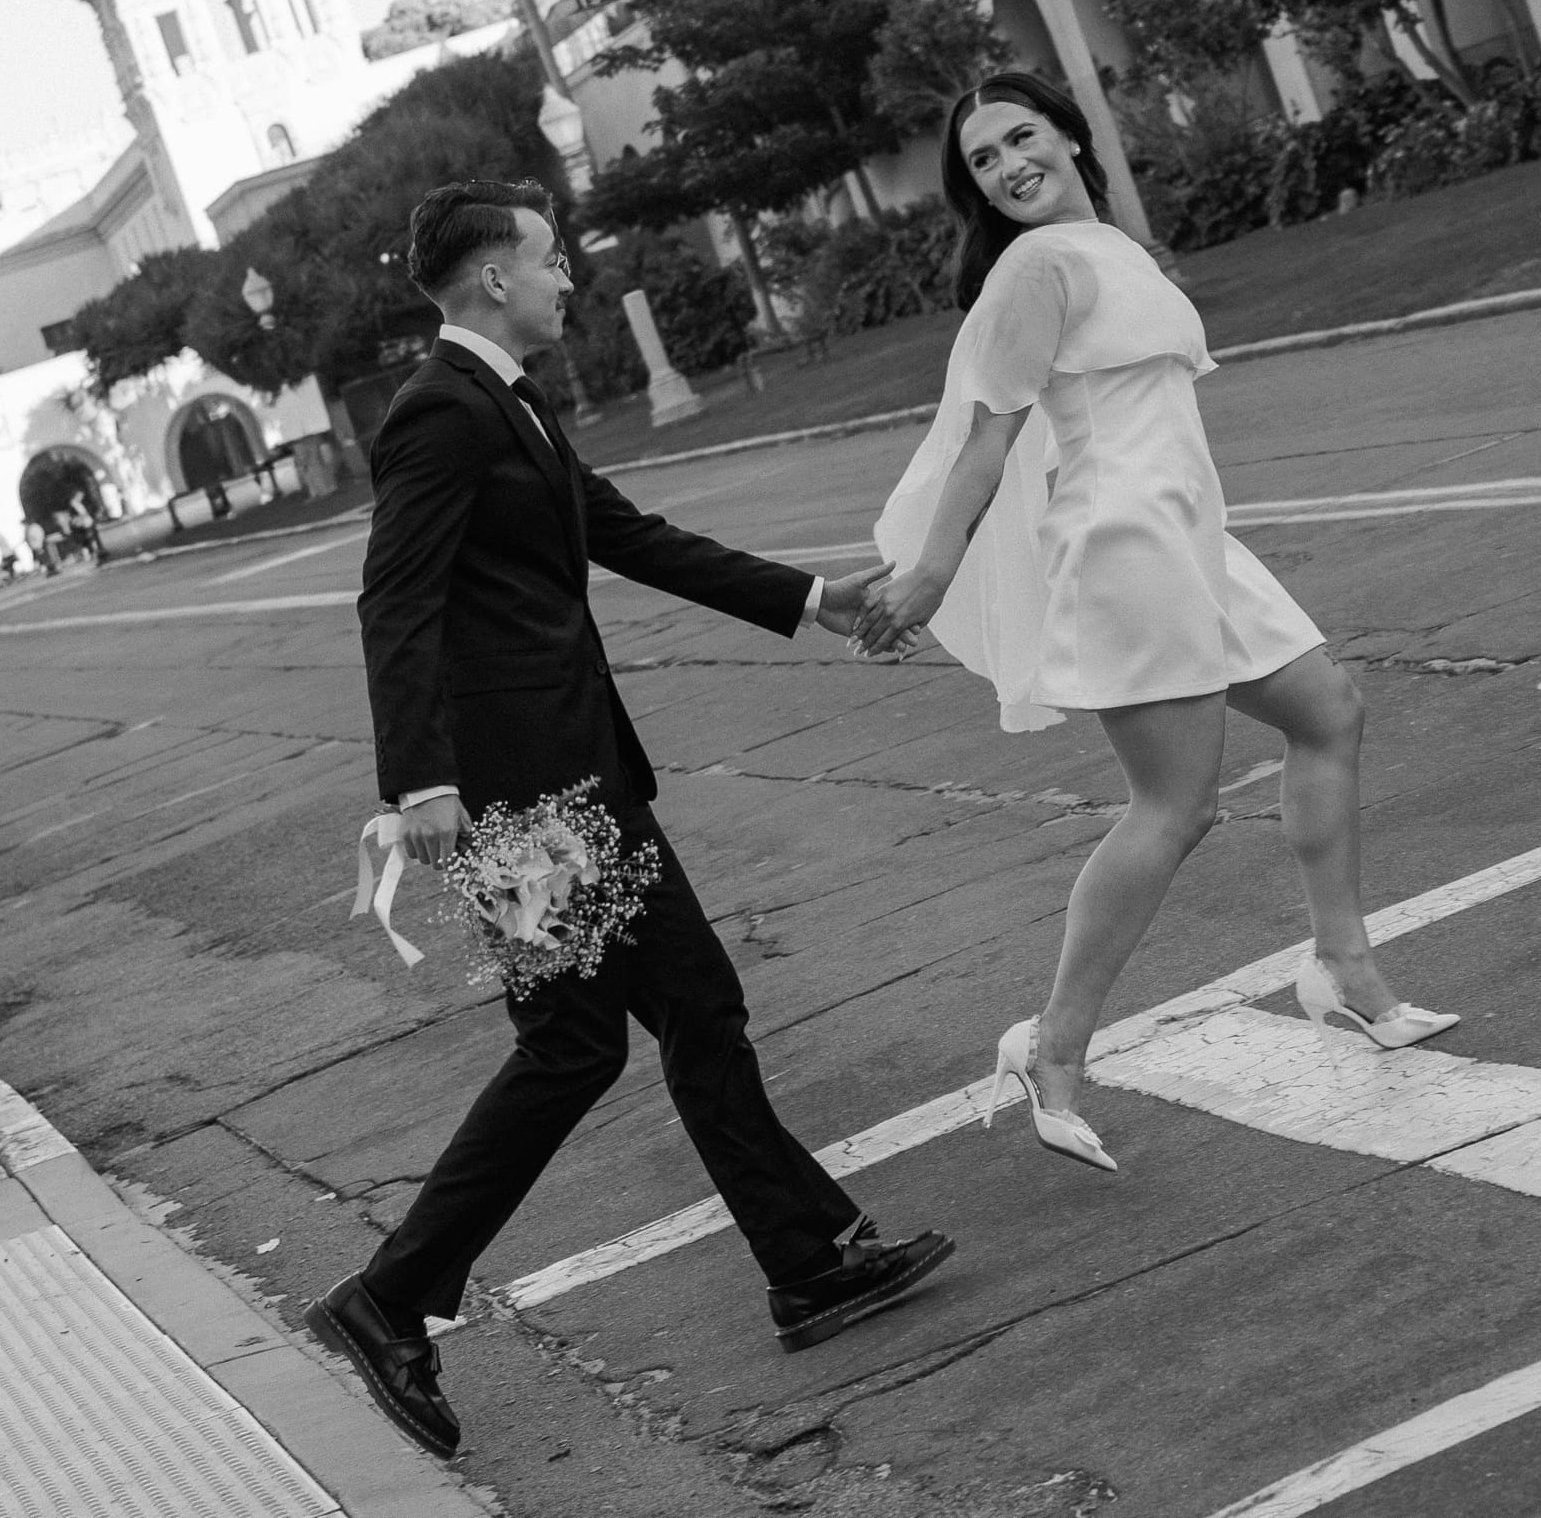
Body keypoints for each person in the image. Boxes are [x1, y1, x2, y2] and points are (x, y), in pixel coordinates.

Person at [314, 179, 954, 1461]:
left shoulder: (509, 397)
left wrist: (812, 598)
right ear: (493, 276)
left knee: (694, 1007)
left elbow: (627, 535)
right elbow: (396, 602)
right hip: (521, 808)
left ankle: (805, 1257)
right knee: (570, 1045)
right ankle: (389, 1299)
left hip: (573, 787)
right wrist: (420, 781)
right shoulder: (440, 412)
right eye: (551, 258)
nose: (569, 274)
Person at [855, 74, 1458, 1176]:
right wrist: (929, 572)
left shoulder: (1112, 250)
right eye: (982, 160)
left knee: (1328, 710)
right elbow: (985, 443)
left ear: (1072, 136)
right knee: (1171, 808)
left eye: (1018, 138)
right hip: (1126, 546)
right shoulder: (1033, 267)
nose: (1004, 167)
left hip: (1191, 533)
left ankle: (1343, 968)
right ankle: (1053, 1045)